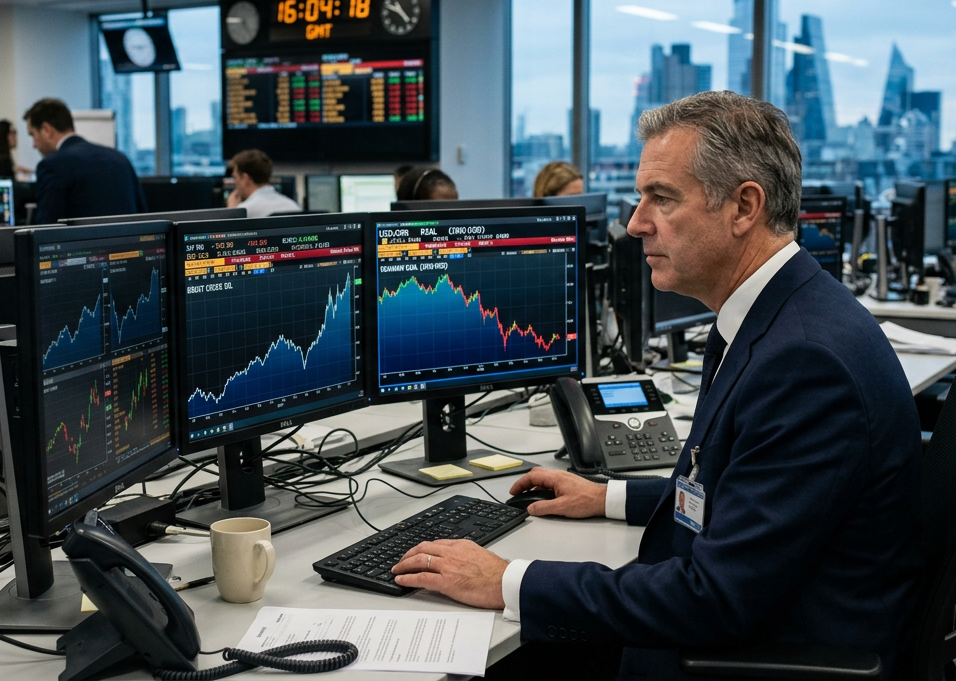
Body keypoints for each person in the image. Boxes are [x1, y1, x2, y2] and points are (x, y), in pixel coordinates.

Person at [392, 91, 922, 680]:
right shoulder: (780, 313)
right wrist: (607, 497)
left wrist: (507, 579)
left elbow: (712, 598)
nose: (635, 222)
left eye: (661, 198)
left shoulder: (804, 362)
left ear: (745, 206)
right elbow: (738, 485)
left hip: (758, 657)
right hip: (765, 622)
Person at [25, 98, 146, 224]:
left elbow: (46, 228)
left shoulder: (53, 165)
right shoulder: (120, 158)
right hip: (128, 243)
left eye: (32, 134)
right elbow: (143, 217)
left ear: (46, 130)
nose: (34, 145)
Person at [225, 149, 302, 217]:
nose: (234, 183)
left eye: (235, 178)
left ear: (245, 178)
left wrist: (231, 213)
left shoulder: (245, 212)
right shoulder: (294, 207)